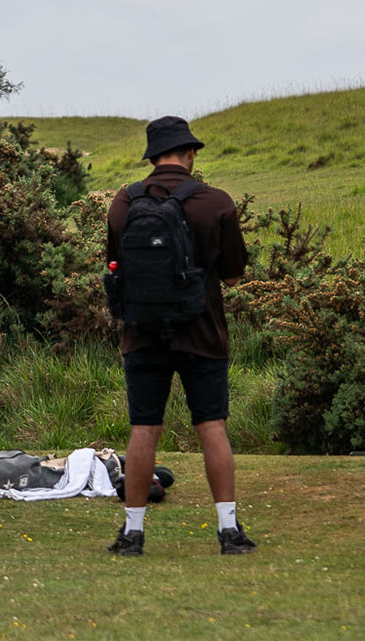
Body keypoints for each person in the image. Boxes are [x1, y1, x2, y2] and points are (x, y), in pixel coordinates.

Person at [105, 116, 256, 556]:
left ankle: (132, 533)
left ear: (152, 157)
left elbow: (117, 268)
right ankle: (228, 531)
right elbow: (231, 276)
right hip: (203, 332)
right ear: (190, 154)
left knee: (143, 429)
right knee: (212, 427)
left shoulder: (122, 203)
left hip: (141, 334)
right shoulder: (216, 202)